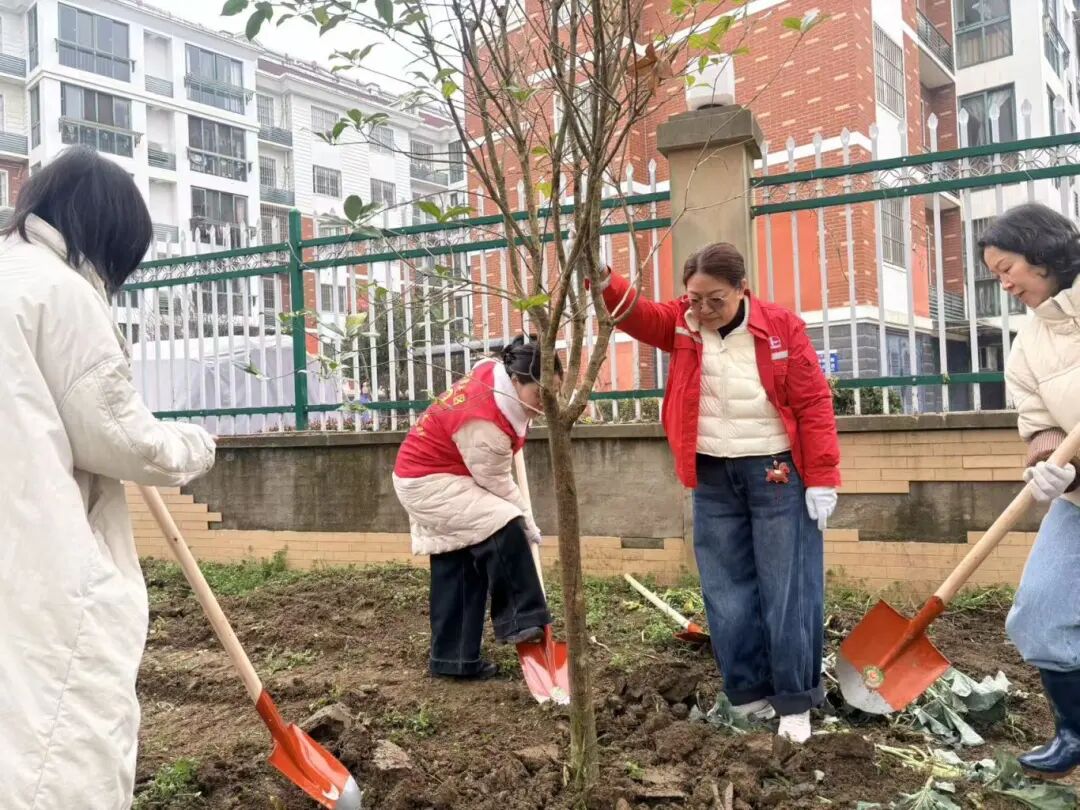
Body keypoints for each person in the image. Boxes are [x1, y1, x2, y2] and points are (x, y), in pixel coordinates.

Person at [0, 147, 216, 807]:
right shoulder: (57, 290)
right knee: (61, 742)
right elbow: (126, 440)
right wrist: (195, 444)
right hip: (41, 558)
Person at [592, 242, 840, 742]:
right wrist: (600, 277)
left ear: (742, 290)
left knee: (786, 589)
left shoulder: (781, 327)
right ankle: (748, 694)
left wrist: (822, 477)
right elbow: (633, 314)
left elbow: (813, 401)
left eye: (716, 300)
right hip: (711, 475)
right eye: (694, 299)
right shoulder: (682, 325)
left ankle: (794, 700)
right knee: (726, 591)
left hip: (774, 472)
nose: (702, 311)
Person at [979, 202, 1080, 778]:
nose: (1005, 282)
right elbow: (1039, 425)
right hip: (1078, 498)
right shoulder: (1027, 347)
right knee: (1038, 615)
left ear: (1042, 252)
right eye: (996, 274)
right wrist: (1053, 465)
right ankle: (1074, 731)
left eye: (1007, 267)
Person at [393, 336, 560, 679]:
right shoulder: (484, 422)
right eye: (538, 394)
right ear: (515, 381)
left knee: (459, 562)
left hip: (436, 474)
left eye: (552, 392)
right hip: (430, 482)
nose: (545, 403)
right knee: (505, 524)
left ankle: (453, 661)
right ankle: (522, 619)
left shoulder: (496, 376)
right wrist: (527, 521)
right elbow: (496, 483)